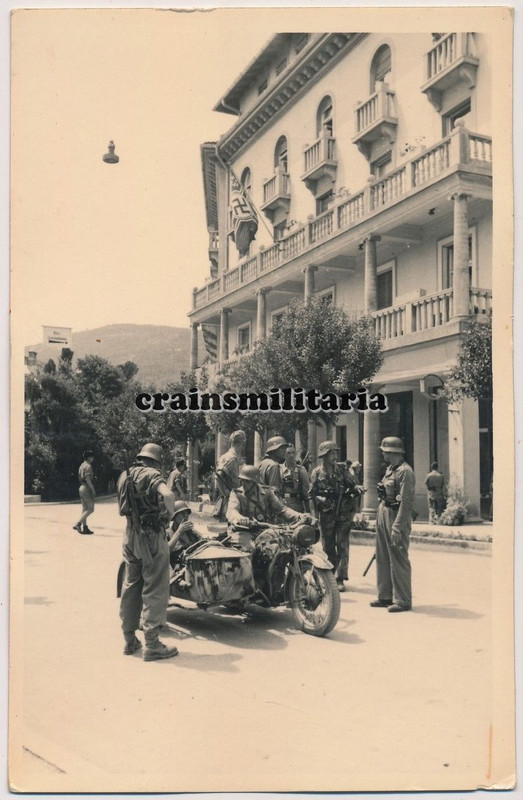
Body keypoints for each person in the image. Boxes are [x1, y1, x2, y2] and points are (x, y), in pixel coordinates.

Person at [117, 443, 180, 661]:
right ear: (155, 461)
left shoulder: (125, 475)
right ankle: (152, 643)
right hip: (151, 535)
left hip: (130, 534)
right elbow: (169, 495)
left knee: (131, 584)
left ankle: (129, 639)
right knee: (155, 586)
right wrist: (169, 517)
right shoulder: (151, 474)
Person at [309, 441, 363, 592]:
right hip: (327, 514)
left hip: (343, 513)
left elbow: (352, 485)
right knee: (328, 546)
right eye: (332, 453)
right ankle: (329, 575)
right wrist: (315, 511)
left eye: (335, 453)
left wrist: (356, 487)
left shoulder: (341, 469)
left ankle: (341, 578)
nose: (335, 456)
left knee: (343, 545)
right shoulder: (317, 473)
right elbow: (311, 495)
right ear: (324, 456)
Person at [371, 436, 415, 613]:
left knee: (398, 557)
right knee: (382, 555)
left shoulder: (405, 472)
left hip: (396, 515)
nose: (383, 454)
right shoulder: (391, 469)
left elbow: (406, 501)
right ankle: (385, 596)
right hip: (384, 512)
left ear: (392, 452)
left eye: (385, 451)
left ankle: (403, 600)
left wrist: (397, 526)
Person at [227, 464, 312, 528]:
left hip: (265, 530)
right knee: (250, 549)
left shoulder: (267, 492)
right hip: (243, 530)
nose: (243, 484)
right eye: (242, 481)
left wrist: (299, 516)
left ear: (255, 482)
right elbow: (232, 511)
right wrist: (240, 518)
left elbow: (282, 510)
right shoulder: (236, 494)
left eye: (247, 481)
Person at [214, 430, 247, 520]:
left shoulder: (225, 456)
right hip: (229, 500)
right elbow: (218, 477)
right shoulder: (231, 458)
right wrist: (225, 495)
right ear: (242, 443)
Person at [167, 501, 202, 569]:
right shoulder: (168, 533)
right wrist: (179, 532)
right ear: (174, 516)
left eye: (187, 514)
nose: (185, 516)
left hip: (193, 567)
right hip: (177, 570)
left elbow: (202, 544)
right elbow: (165, 552)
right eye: (182, 514)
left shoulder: (192, 533)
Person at [281, 444, 310, 512]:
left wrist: (308, 511)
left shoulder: (301, 470)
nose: (291, 455)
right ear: (284, 455)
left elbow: (306, 493)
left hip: (296, 506)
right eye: (288, 453)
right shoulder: (279, 469)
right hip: (282, 505)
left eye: (293, 453)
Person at [73, 450, 96, 535]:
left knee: (85, 509)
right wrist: (92, 489)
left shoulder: (81, 465)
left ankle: (85, 527)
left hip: (81, 487)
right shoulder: (88, 466)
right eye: (92, 457)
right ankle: (78, 523)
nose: (93, 458)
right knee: (91, 509)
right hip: (87, 488)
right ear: (89, 457)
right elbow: (88, 479)